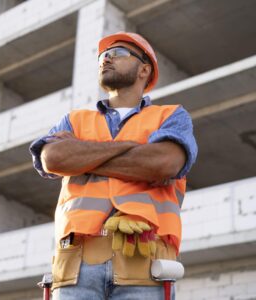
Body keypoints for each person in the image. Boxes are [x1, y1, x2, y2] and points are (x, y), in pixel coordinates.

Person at [30, 32, 198, 300]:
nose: (106, 59)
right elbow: (54, 159)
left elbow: (164, 163)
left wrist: (84, 158)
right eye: (102, 56)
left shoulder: (171, 116)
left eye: (118, 53)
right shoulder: (74, 119)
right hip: (77, 262)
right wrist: (130, 147)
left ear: (144, 69)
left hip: (145, 262)